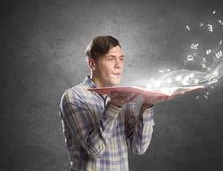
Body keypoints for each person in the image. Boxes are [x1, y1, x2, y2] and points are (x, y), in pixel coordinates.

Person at [60, 35, 168, 170]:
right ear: (92, 64)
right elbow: (95, 150)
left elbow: (138, 148)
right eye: (110, 59)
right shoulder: (74, 97)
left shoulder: (125, 95)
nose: (118, 65)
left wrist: (147, 105)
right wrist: (114, 106)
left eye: (121, 59)